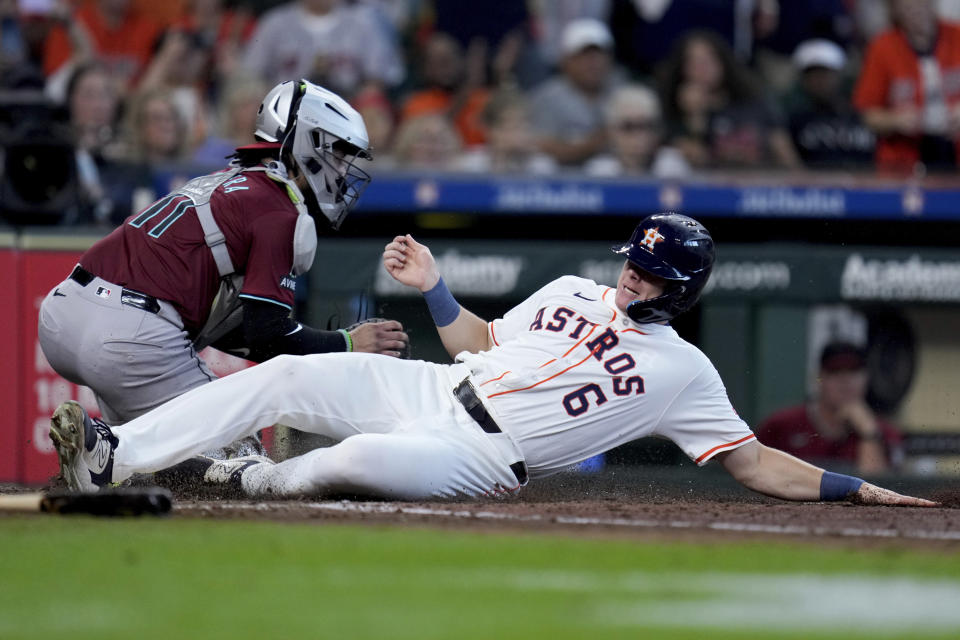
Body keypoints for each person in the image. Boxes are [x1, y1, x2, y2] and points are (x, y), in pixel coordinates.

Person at [49, 213, 935, 508]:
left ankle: (252, 485)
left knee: (347, 462)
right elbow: (477, 342)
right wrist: (435, 288)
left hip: (480, 456)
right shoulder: (572, 290)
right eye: (633, 260)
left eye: (651, 270)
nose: (633, 274)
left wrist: (855, 487)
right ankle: (113, 456)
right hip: (441, 384)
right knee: (279, 377)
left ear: (680, 289)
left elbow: (749, 461)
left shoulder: (684, 374)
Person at [38, 79, 408, 431]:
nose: (344, 171)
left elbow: (241, 331)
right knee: (235, 458)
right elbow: (269, 333)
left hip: (64, 313)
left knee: (147, 453)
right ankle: (107, 454)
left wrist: (325, 345)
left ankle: (107, 450)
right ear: (309, 144)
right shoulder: (279, 209)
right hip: (129, 334)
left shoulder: (228, 179)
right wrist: (346, 343)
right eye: (340, 154)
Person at [657, 30, 801, 170]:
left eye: (709, 59)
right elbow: (695, 158)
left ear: (723, 61)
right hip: (709, 187)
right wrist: (694, 115)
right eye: (693, 62)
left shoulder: (754, 101)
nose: (702, 68)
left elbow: (785, 154)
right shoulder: (674, 108)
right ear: (682, 69)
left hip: (759, 184)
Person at [757, 341, 904, 476]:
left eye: (853, 371)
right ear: (819, 378)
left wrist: (868, 434)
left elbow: (877, 490)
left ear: (866, 378)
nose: (845, 380)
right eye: (835, 371)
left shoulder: (884, 432)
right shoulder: (781, 424)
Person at [853, 0, 960, 172]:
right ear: (895, 10)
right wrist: (895, 121)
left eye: (921, 4)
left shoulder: (956, 35)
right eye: (908, 6)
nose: (916, 11)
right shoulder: (882, 47)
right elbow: (868, 114)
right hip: (904, 159)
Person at [528, 17, 623, 167]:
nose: (593, 62)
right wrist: (598, 141)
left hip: (617, 179)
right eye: (584, 55)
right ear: (566, 60)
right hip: (561, 182)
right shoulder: (547, 98)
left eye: (599, 54)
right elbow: (540, 145)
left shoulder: (622, 93)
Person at [782, 39, 875, 169]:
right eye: (813, 75)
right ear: (803, 80)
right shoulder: (796, 121)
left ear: (839, 75)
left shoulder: (862, 114)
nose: (820, 81)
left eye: (826, 74)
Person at [583, 83, 690, 178]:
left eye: (646, 126)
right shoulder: (598, 171)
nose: (639, 135)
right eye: (628, 127)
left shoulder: (672, 166)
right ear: (611, 131)